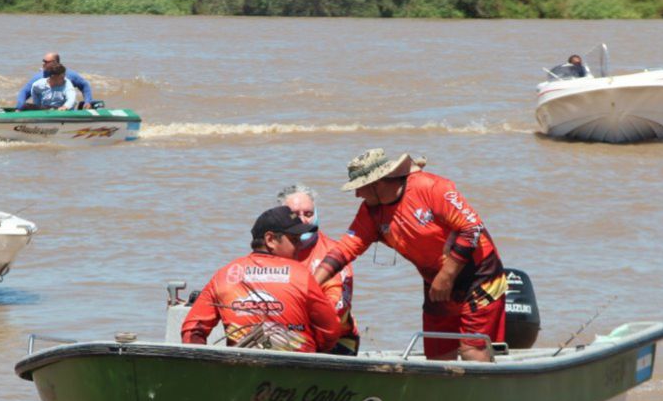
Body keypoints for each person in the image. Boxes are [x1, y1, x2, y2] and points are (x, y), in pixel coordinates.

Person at [313, 149, 507, 362]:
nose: (357, 195)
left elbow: (472, 228)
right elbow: (344, 249)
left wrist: (446, 276)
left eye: (359, 188)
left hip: (479, 274)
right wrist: (311, 285)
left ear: (377, 184)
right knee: (437, 353)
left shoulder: (431, 188)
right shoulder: (371, 211)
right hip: (436, 281)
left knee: (472, 349)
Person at [182, 206, 342, 354]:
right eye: (294, 239)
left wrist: (204, 365)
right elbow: (330, 331)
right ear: (270, 239)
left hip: (240, 371)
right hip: (298, 374)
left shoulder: (225, 274)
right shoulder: (301, 275)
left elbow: (193, 329)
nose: (300, 245)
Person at [276, 184, 360, 355]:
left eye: (308, 214)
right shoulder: (271, 249)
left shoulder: (334, 255)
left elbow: (334, 314)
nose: (303, 220)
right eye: (295, 215)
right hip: (283, 335)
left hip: (335, 341)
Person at [16, 52, 92, 110]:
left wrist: (87, 101)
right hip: (46, 108)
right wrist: (20, 106)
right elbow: (25, 92)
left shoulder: (70, 75)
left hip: (65, 109)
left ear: (55, 62)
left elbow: (84, 86)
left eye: (46, 62)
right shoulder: (38, 78)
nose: (43, 64)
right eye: (43, 61)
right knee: (25, 105)